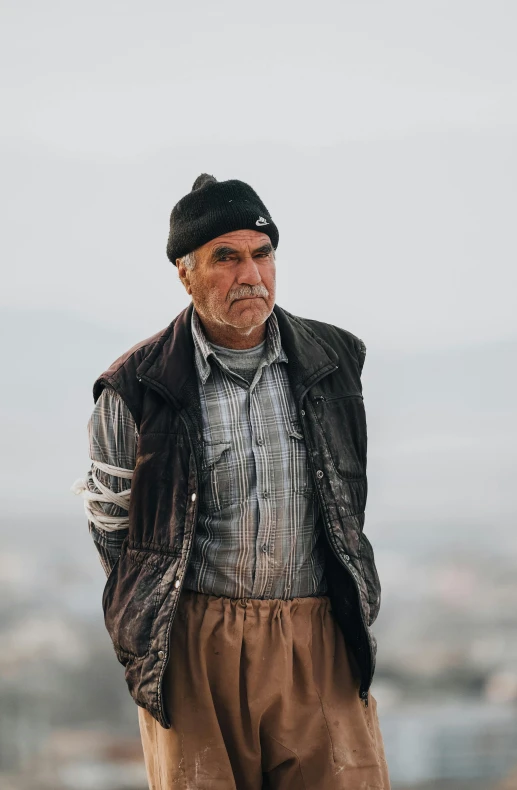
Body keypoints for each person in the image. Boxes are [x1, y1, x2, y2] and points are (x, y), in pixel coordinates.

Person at [73, 174, 391, 789]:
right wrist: (163, 619)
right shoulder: (135, 388)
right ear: (185, 273)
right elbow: (113, 530)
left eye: (262, 254)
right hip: (191, 649)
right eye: (227, 257)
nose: (251, 274)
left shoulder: (333, 362)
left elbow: (345, 496)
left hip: (317, 639)